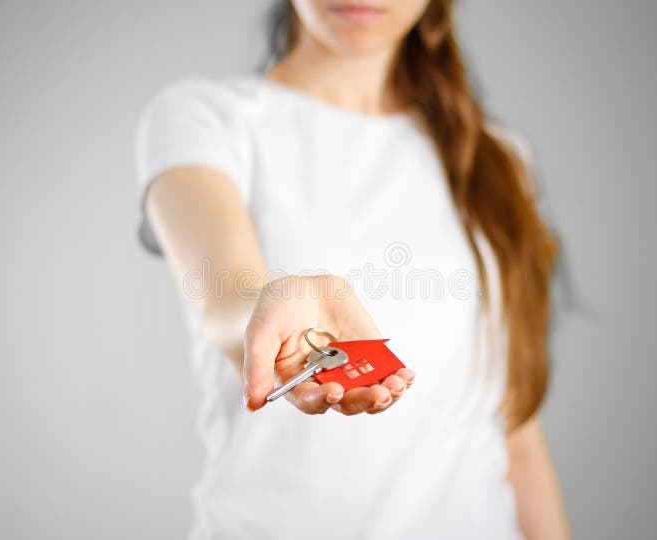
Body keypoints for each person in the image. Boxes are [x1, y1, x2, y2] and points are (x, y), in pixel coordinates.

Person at [134, 1, 571, 538]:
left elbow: (514, 427)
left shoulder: (499, 160)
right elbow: (224, 296)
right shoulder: (206, 118)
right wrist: (273, 315)